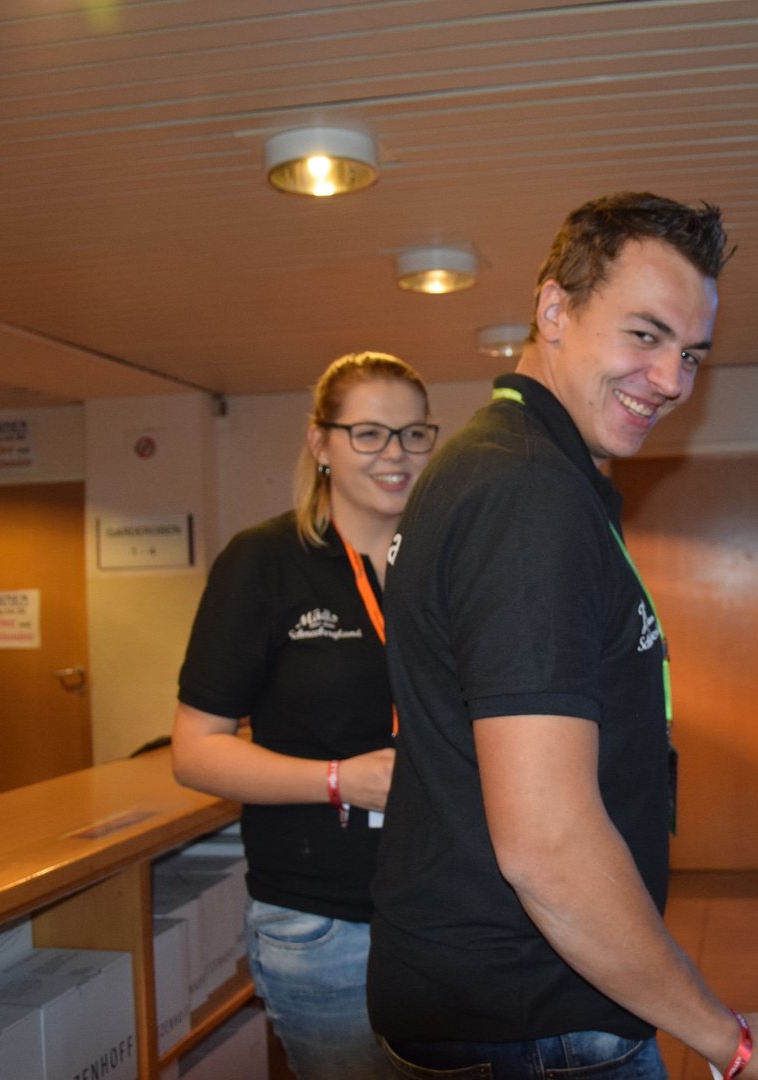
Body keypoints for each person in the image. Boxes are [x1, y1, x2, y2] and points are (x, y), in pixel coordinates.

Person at [368, 194, 758, 1080]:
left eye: (691, 354)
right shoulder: (526, 494)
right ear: (555, 309)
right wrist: (732, 1041)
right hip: (530, 1020)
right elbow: (548, 843)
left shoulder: (510, 468)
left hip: (505, 1003)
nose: (671, 380)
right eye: (645, 335)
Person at [172, 351, 436, 1080]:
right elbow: (195, 750)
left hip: (447, 910)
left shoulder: (444, 564)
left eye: (414, 434)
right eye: (370, 434)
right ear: (321, 442)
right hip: (324, 923)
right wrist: (337, 779)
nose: (396, 454)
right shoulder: (263, 562)